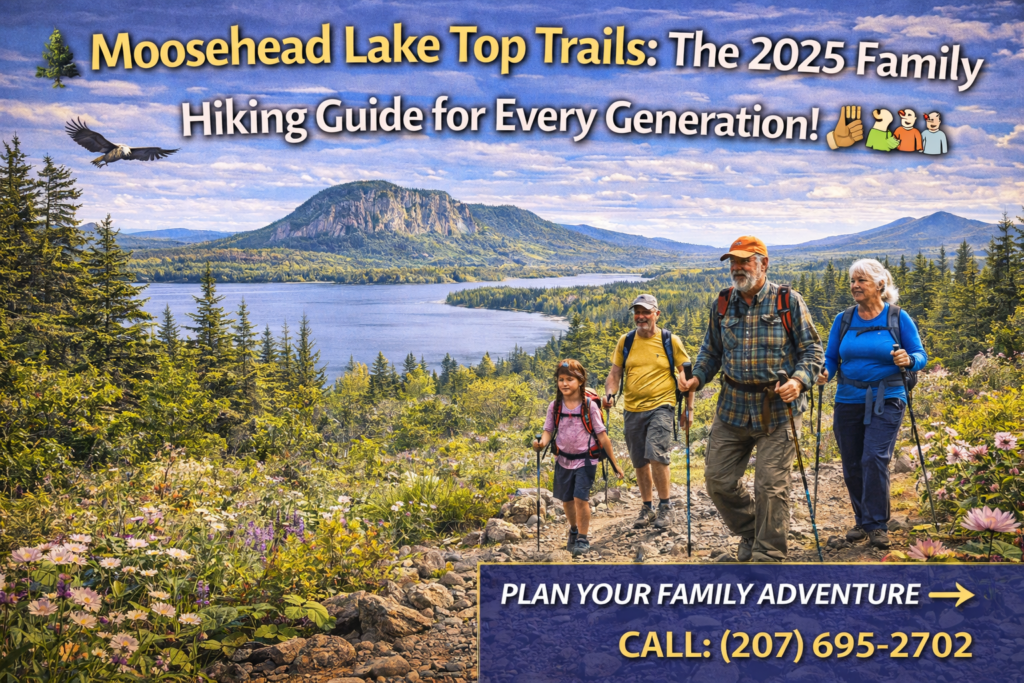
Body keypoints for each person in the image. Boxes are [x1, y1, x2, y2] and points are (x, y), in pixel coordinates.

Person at [679, 236, 824, 562]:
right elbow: (711, 352)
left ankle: (768, 555)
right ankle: (752, 530)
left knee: (771, 487)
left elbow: (813, 350)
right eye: (733, 262)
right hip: (732, 407)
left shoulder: (788, 302)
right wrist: (696, 378)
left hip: (778, 408)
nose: (737, 268)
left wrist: (799, 382)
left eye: (745, 261)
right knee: (718, 481)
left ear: (764, 264)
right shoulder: (723, 303)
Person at [816, 259, 927, 549]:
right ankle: (862, 519)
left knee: (874, 457)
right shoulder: (843, 320)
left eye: (861, 280)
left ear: (880, 284)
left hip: (888, 396)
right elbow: (831, 357)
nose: (854, 286)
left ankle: (877, 524)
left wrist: (909, 360)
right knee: (852, 462)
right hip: (848, 398)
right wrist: (824, 372)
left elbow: (919, 354)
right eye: (852, 280)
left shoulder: (897, 318)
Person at [603, 294, 693, 530]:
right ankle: (647, 508)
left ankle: (665, 507)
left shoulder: (669, 340)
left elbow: (687, 375)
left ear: (656, 314)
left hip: (662, 406)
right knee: (640, 462)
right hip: (632, 409)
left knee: (656, 454)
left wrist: (689, 409)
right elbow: (614, 375)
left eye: (646, 312)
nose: (641, 316)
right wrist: (610, 394)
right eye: (637, 312)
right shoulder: (626, 341)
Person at [534, 359, 623, 557]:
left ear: (581, 381)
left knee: (580, 499)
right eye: (561, 379)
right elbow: (548, 430)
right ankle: (573, 529)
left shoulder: (589, 406)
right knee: (566, 501)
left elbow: (602, 436)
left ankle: (582, 538)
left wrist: (615, 464)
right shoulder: (555, 406)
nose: (564, 384)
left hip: (586, 459)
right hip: (563, 460)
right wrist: (541, 443)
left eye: (570, 379)